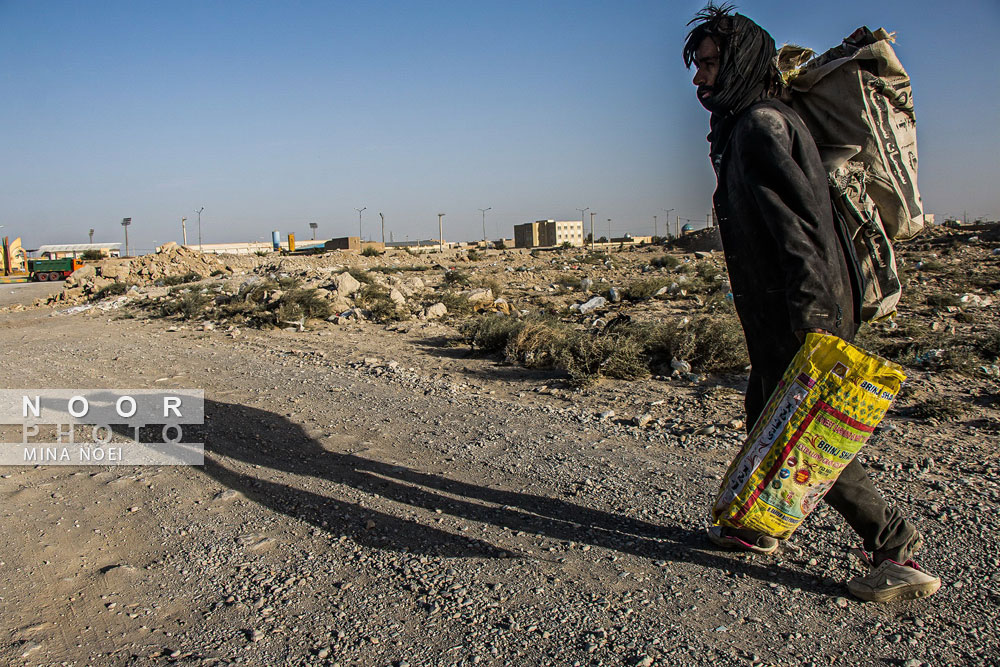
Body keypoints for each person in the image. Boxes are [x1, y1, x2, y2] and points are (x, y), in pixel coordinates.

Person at [683, 4, 940, 602]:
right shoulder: (760, 121)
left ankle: (895, 548)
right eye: (697, 66)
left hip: (801, 310)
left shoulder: (759, 127)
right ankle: (752, 526)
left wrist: (813, 327)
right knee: (765, 411)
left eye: (712, 64)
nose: (700, 79)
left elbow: (801, 234)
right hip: (788, 308)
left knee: (805, 433)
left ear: (742, 63)